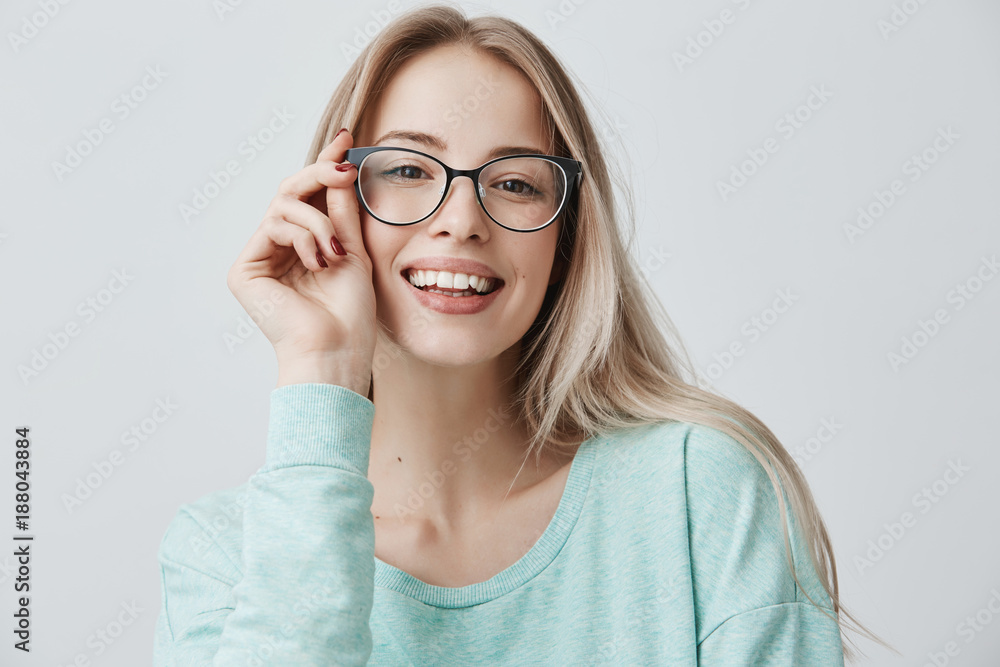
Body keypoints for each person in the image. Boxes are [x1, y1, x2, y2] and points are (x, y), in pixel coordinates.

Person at [153, 4, 894, 665]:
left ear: (567, 239)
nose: (461, 219)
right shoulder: (224, 556)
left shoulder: (702, 491)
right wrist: (319, 369)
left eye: (514, 182)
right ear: (333, 201)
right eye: (409, 168)